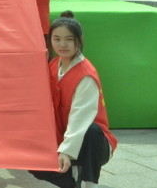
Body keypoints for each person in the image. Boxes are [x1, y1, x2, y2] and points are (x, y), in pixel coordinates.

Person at [29, 11, 118, 188]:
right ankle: (72, 181)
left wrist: (66, 151)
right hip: (63, 138)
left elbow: (80, 118)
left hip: (91, 146)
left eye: (69, 39)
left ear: (79, 40)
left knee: (91, 130)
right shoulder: (53, 65)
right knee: (31, 161)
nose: (62, 44)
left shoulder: (85, 75)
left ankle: (90, 183)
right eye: (56, 39)